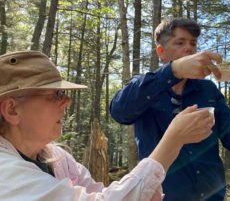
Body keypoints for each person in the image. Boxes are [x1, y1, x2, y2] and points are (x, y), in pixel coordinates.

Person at [0, 50, 215, 201]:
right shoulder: (6, 174)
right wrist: (172, 142)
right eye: (56, 94)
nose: (67, 101)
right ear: (12, 110)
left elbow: (104, 194)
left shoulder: (57, 158)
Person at [110, 18, 230, 201]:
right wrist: (173, 71)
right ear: (161, 52)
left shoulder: (208, 90)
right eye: (180, 42)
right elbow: (118, 112)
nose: (189, 48)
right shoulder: (144, 87)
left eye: (193, 43)